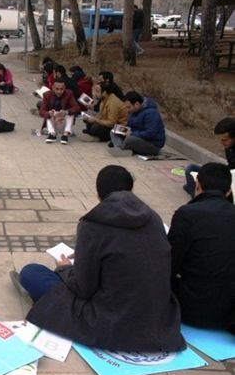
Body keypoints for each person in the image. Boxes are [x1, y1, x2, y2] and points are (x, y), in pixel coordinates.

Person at [13, 165, 186, 352]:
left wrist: (64, 268)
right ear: (131, 190)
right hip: (158, 319)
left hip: (112, 320)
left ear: (98, 195)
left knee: (32, 273)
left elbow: (83, 288)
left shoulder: (92, 224)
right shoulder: (154, 218)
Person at [169, 163, 235, 333]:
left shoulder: (186, 214)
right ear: (228, 192)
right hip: (229, 312)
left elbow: (169, 265)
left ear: (197, 185)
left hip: (192, 309)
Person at [183, 117, 235, 197]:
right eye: (221, 140)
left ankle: (200, 196)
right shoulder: (229, 146)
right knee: (191, 168)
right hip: (227, 173)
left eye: (225, 140)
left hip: (230, 179)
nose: (222, 143)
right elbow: (230, 166)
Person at [110, 91, 166, 156]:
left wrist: (133, 134)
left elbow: (151, 133)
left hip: (152, 144)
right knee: (114, 130)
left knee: (130, 139)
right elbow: (131, 126)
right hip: (138, 137)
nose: (127, 110)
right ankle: (120, 148)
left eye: (129, 107)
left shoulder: (151, 113)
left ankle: (122, 148)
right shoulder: (133, 111)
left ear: (136, 104)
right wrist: (123, 129)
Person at [39, 79, 80, 144]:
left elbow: (77, 107)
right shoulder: (47, 95)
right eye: (57, 89)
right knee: (48, 114)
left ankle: (65, 134)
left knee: (71, 113)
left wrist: (66, 112)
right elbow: (41, 111)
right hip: (53, 120)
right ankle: (52, 134)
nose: (59, 91)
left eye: (62, 89)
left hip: (64, 120)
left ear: (65, 88)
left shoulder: (69, 93)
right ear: (53, 88)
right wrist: (49, 113)